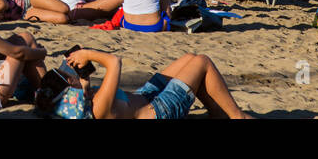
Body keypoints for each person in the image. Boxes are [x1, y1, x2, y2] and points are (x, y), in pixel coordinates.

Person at [53, 48, 248, 119]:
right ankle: (237, 116)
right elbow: (114, 62)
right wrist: (87, 54)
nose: (72, 75)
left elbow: (82, 91)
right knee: (202, 61)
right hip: (159, 111)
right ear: (70, 90)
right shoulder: (98, 108)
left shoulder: (82, 103)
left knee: (189, 59)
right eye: (69, 77)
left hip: (144, 96)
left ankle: (216, 111)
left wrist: (84, 80)